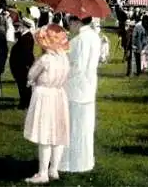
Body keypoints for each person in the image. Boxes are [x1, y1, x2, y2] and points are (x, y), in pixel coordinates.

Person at [23, 24, 71, 184]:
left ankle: (42, 173)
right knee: (58, 133)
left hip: (45, 95)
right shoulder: (64, 59)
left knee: (44, 133)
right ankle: (54, 169)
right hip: (59, 94)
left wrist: (32, 78)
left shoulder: (45, 60)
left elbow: (30, 75)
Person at [59, 15, 101, 173]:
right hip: (89, 87)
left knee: (73, 127)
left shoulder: (78, 41)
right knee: (84, 127)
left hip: (75, 88)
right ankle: (85, 161)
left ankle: (71, 163)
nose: (69, 26)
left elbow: (78, 67)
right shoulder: (94, 37)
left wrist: (62, 75)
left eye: (70, 22)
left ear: (76, 22)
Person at [9, 17, 36, 109]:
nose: (19, 26)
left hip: (22, 66)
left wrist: (26, 65)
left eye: (21, 25)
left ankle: (25, 103)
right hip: (20, 65)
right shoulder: (23, 36)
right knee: (22, 86)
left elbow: (26, 53)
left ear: (24, 26)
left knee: (24, 86)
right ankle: (24, 102)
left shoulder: (27, 37)